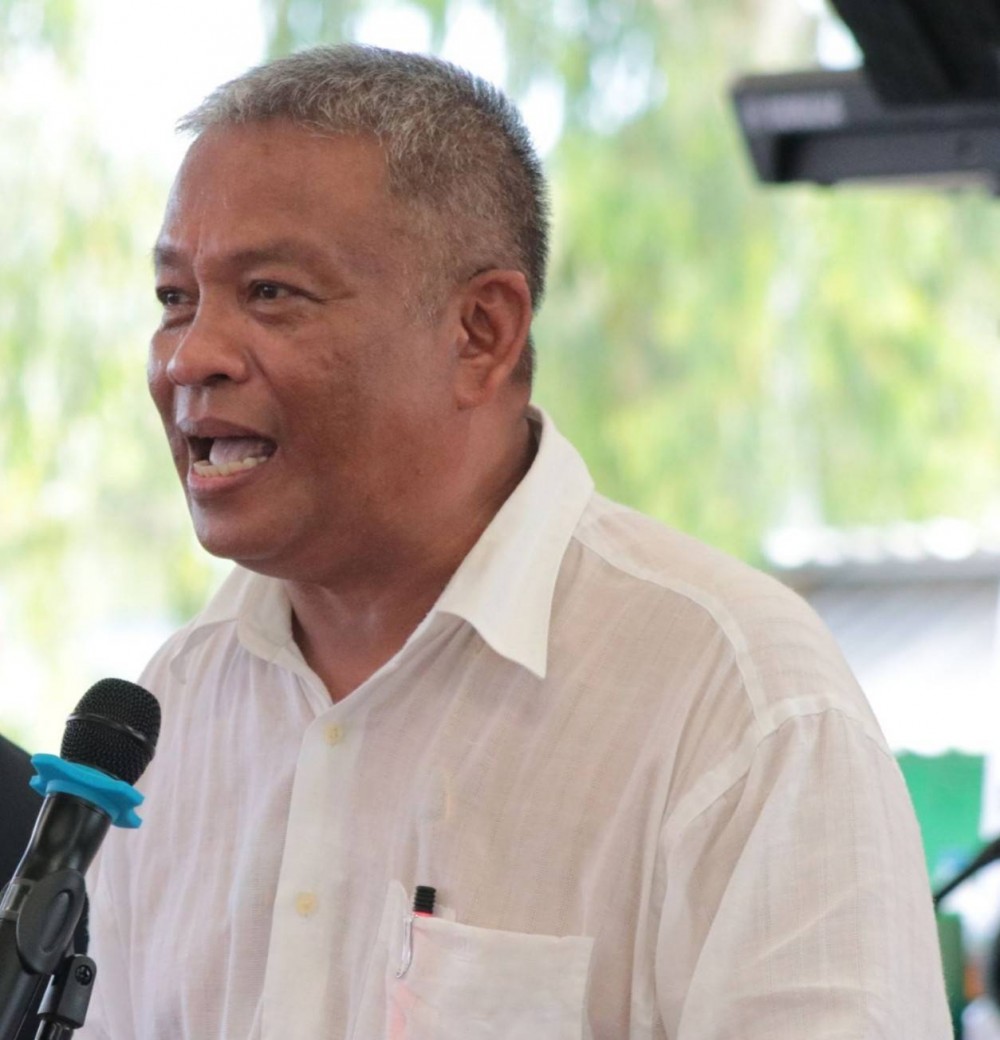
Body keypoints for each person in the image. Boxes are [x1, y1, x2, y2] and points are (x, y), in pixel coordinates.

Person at [77, 44, 950, 1039]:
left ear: (481, 331)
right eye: (175, 299)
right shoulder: (175, 704)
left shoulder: (738, 701)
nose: (190, 357)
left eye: (271, 292)